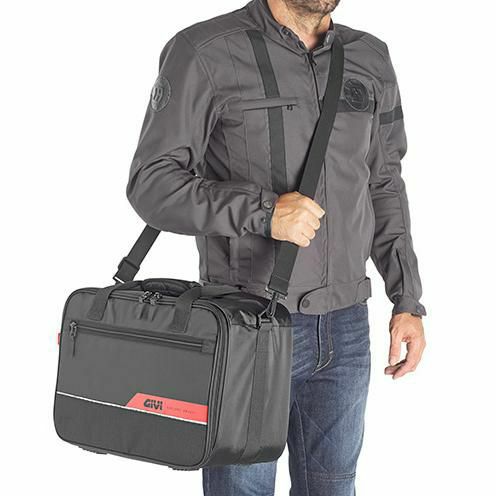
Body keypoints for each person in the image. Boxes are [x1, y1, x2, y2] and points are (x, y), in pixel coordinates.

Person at [127, 0, 427, 494]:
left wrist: (407, 298)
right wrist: (264, 211)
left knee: (334, 487)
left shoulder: (370, 57)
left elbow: (384, 183)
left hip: (347, 326)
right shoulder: (203, 51)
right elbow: (152, 185)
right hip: (247, 325)